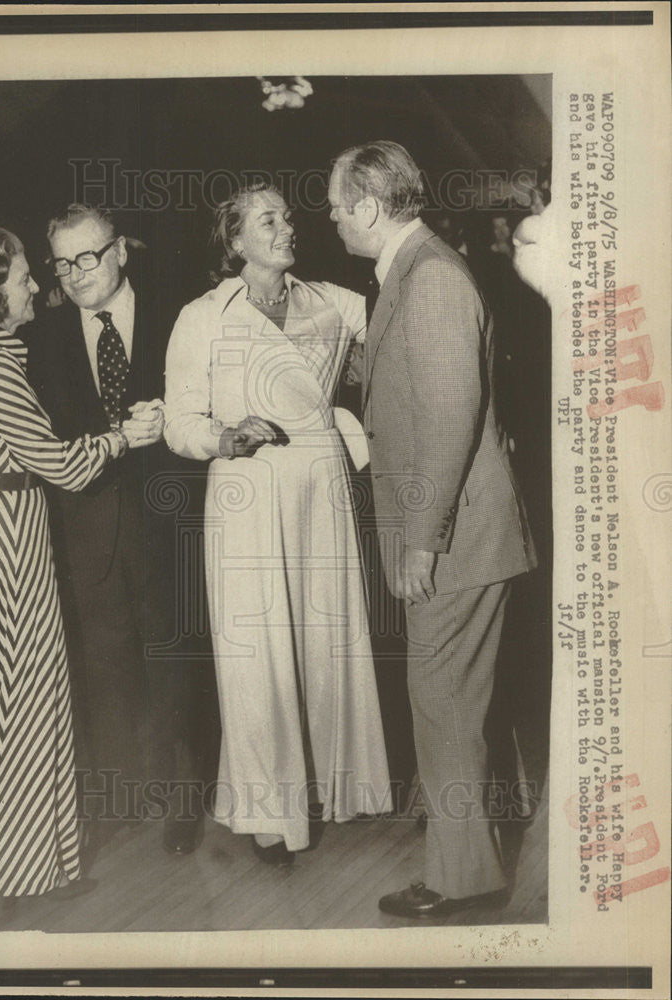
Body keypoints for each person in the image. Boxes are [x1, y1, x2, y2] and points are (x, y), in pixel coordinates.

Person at [0, 205, 213, 856]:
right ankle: (121, 796)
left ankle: (181, 803)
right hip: (76, 528)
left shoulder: (182, 312)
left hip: (167, 520)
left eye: (88, 256)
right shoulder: (35, 332)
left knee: (174, 663)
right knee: (102, 668)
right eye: (61, 262)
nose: (74, 273)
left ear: (122, 250)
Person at [328, 142, 537, 917]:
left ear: (372, 207)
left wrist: (421, 540)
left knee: (441, 699)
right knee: (452, 701)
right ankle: (469, 859)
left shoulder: (434, 280)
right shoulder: (414, 273)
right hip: (461, 533)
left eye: (338, 204)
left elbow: (450, 423)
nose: (333, 216)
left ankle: (462, 881)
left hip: (454, 538)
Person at [163, 183, 392, 865]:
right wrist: (224, 437)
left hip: (321, 487)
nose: (288, 227)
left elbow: (397, 331)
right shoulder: (203, 316)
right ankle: (271, 816)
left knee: (327, 642)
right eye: (269, 220)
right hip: (248, 493)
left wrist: (364, 371)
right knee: (256, 653)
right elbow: (179, 422)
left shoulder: (332, 302)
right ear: (235, 241)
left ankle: (334, 789)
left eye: (288, 216)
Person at [0, 225, 143, 896]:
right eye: (24, 275)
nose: (36, 284)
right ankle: (15, 870)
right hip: (1, 554)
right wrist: (122, 436)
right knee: (18, 703)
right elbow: (63, 465)